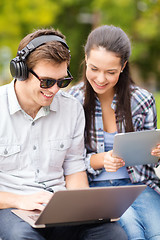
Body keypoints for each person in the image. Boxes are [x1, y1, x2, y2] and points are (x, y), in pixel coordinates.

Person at [0, 27, 127, 240]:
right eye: (47, 82)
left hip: (60, 209)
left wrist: (86, 209)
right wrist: (18, 200)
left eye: (63, 81)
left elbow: (75, 169)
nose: (55, 90)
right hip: (12, 209)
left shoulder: (72, 109)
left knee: (112, 235)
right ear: (20, 71)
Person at [69, 25, 160, 240]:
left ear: (123, 66)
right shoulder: (73, 101)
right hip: (98, 190)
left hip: (140, 185)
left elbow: (152, 163)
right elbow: (67, 162)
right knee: (133, 234)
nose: (101, 79)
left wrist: (156, 152)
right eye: (94, 69)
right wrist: (100, 160)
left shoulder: (142, 100)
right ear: (85, 58)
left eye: (110, 72)